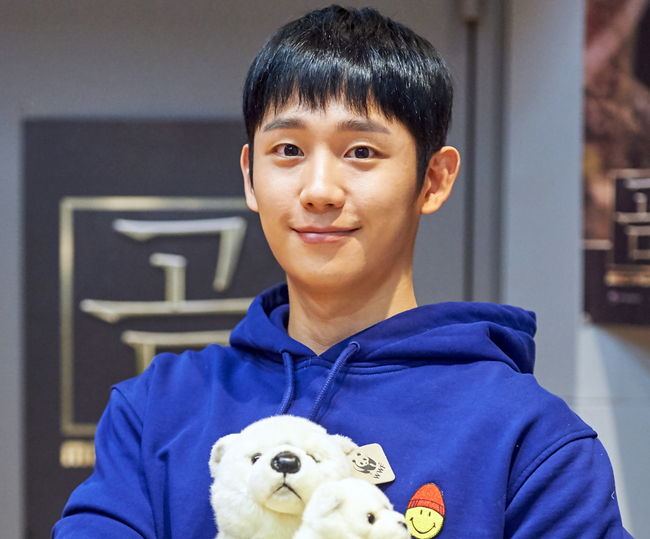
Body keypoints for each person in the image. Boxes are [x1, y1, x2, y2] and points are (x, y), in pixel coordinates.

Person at [53, 5, 631, 538]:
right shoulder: (158, 407)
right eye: (288, 151)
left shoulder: (528, 437)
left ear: (433, 180)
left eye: (361, 152)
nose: (320, 190)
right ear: (250, 176)